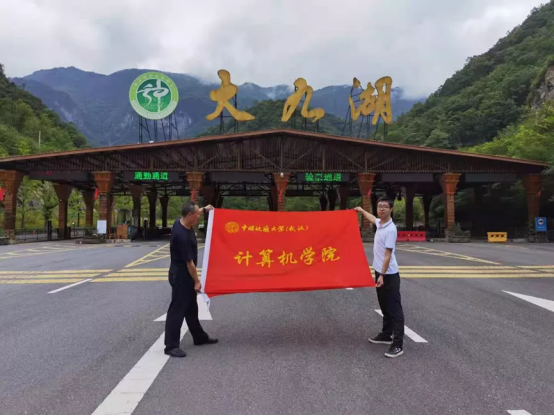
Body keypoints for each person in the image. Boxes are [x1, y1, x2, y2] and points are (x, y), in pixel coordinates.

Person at [164, 202, 218, 358]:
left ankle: (199, 336)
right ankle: (171, 346)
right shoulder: (181, 236)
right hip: (181, 275)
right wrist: (197, 281)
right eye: (197, 215)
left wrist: (204, 209)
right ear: (190, 215)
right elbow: (190, 264)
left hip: (183, 274)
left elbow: (194, 212)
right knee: (177, 309)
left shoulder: (180, 222)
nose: (198, 217)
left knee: (191, 307)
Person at [355, 197, 405, 358]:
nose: (381, 209)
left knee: (394, 309)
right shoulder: (380, 224)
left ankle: (398, 345)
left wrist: (382, 275)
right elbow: (372, 218)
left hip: (388, 274)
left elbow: (387, 255)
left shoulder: (391, 229)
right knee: (384, 305)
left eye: (385, 207)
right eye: (379, 206)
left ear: (391, 209)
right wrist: (361, 211)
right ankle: (386, 334)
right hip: (380, 272)